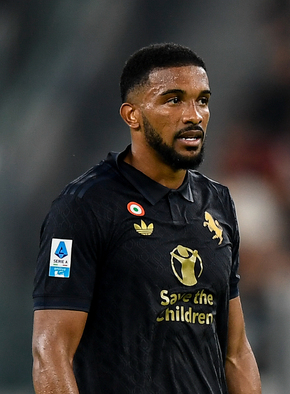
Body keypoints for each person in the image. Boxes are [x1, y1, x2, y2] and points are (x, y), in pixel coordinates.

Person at [32, 43, 261, 394]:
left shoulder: (218, 202)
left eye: (202, 100)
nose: (194, 115)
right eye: (174, 100)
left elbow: (235, 351)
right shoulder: (83, 207)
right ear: (132, 115)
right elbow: (51, 351)